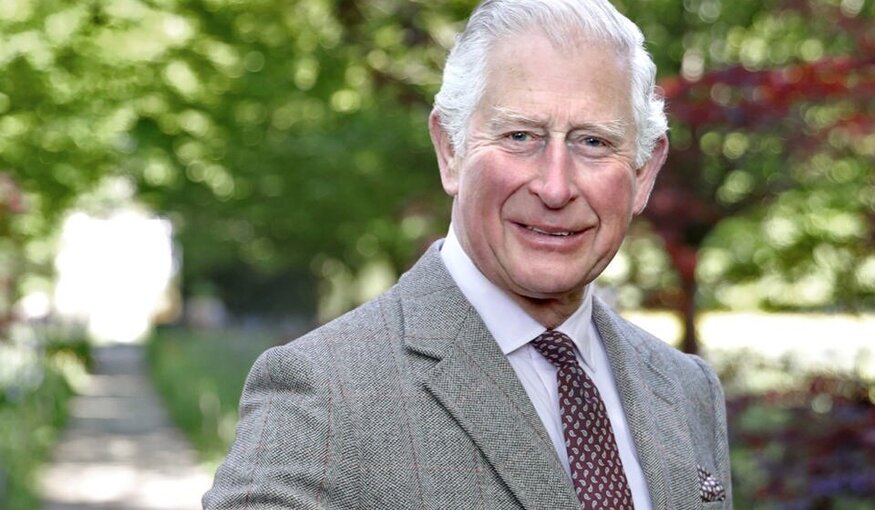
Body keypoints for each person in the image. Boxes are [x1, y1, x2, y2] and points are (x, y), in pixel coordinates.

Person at [203, 0, 732, 508]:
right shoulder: (324, 395)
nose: (555, 186)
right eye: (520, 135)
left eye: (592, 142)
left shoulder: (687, 389)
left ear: (643, 174)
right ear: (450, 150)